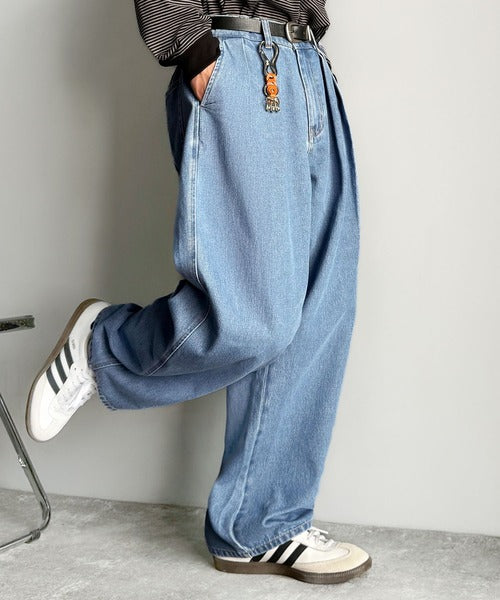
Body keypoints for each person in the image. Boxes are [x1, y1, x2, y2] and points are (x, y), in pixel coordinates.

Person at [25, 1, 372, 586]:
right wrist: (193, 47)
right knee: (256, 315)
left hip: (308, 66)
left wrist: (309, 63)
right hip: (240, 60)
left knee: (321, 310)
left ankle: (261, 526)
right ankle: (104, 346)